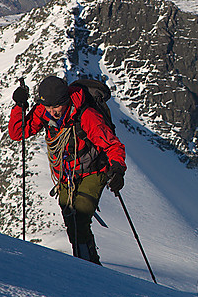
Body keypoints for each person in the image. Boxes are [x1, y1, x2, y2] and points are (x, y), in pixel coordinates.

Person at [9, 75, 126, 265]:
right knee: (71, 222)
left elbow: (112, 144)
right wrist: (19, 107)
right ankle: (83, 262)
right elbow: (18, 132)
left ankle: (89, 266)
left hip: (94, 171)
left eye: (56, 107)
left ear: (65, 100)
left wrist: (118, 169)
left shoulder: (86, 115)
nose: (53, 112)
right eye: (49, 107)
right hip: (66, 175)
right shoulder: (43, 111)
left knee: (79, 218)